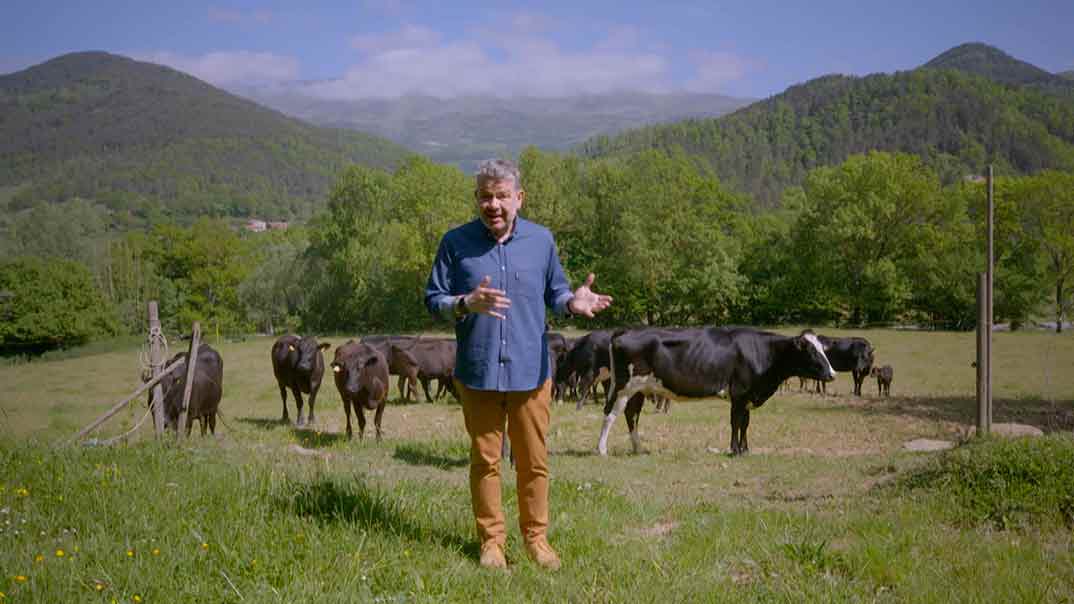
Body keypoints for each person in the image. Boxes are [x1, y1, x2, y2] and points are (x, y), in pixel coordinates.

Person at [425, 159, 612, 570]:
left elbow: (557, 291)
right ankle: (492, 542)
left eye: (501, 196)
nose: (493, 204)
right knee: (485, 461)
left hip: (531, 371)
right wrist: (463, 303)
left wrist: (573, 302)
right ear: (477, 199)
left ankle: (536, 539)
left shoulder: (541, 241)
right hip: (478, 372)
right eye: (485, 196)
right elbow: (433, 298)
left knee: (534, 460)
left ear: (519, 198)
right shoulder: (455, 243)